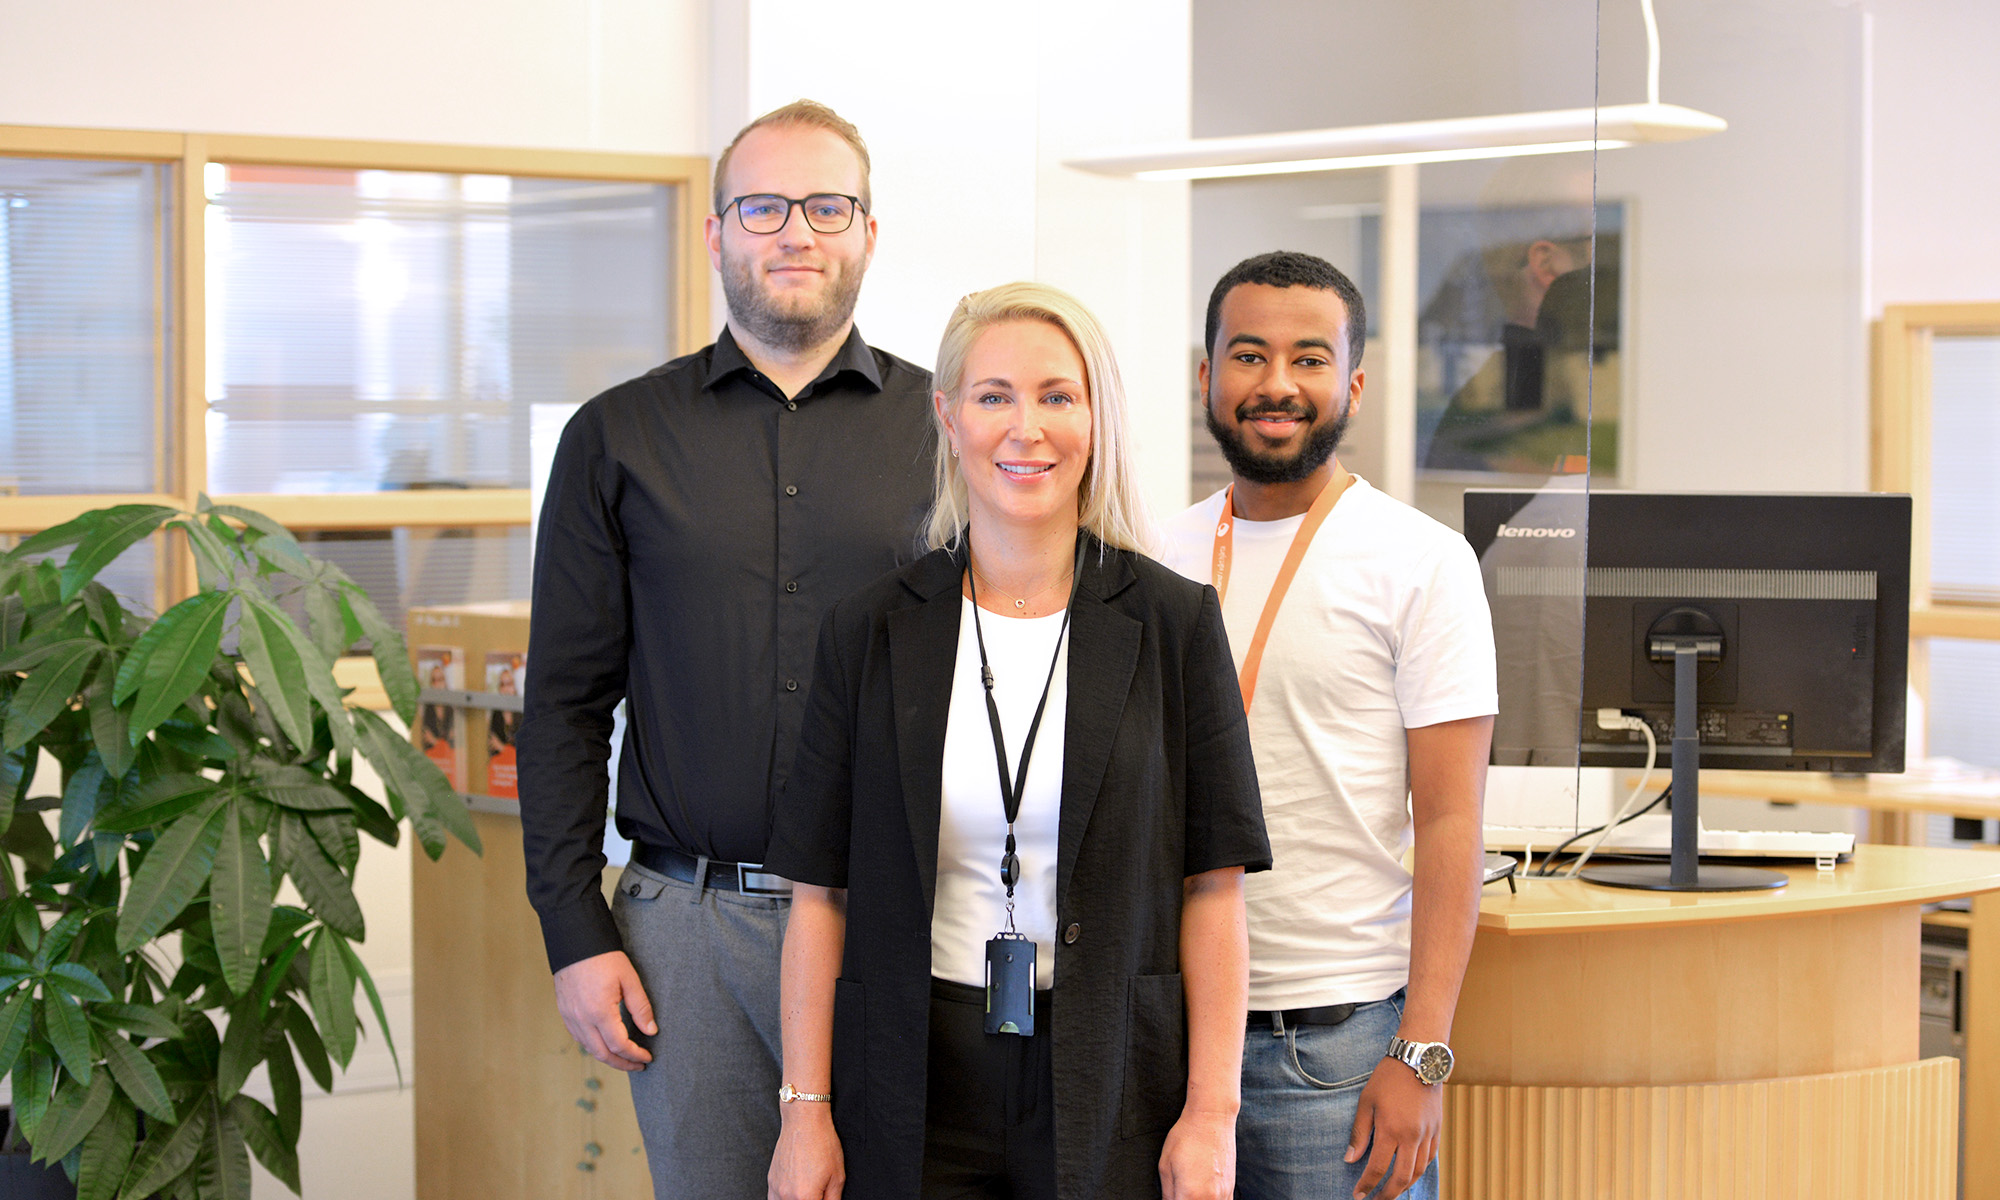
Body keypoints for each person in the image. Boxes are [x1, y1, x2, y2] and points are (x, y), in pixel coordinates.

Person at [763, 282, 1272, 1199]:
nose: (1025, 427)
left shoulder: (1173, 623)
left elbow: (1216, 891)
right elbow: (818, 900)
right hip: (912, 1078)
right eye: (994, 396)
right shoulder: (871, 631)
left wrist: (1212, 1113)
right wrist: (805, 1110)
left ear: (1096, 418)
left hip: (1113, 1076)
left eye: (1057, 395)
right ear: (949, 417)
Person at [516, 100, 935, 1200]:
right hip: (684, 933)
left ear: (867, 233)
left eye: (826, 205)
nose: (794, 232)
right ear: (716, 234)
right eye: (762, 206)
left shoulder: (950, 430)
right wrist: (573, 927)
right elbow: (562, 703)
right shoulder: (614, 436)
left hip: (899, 921)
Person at [1162, 252, 1497, 1200]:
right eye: (1249, 356)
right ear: (1207, 376)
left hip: (1335, 1048)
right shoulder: (1152, 551)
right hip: (1169, 1039)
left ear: (1351, 382)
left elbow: (1450, 823)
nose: (1277, 385)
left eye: (1309, 359)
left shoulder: (1423, 563)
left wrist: (1421, 1051)